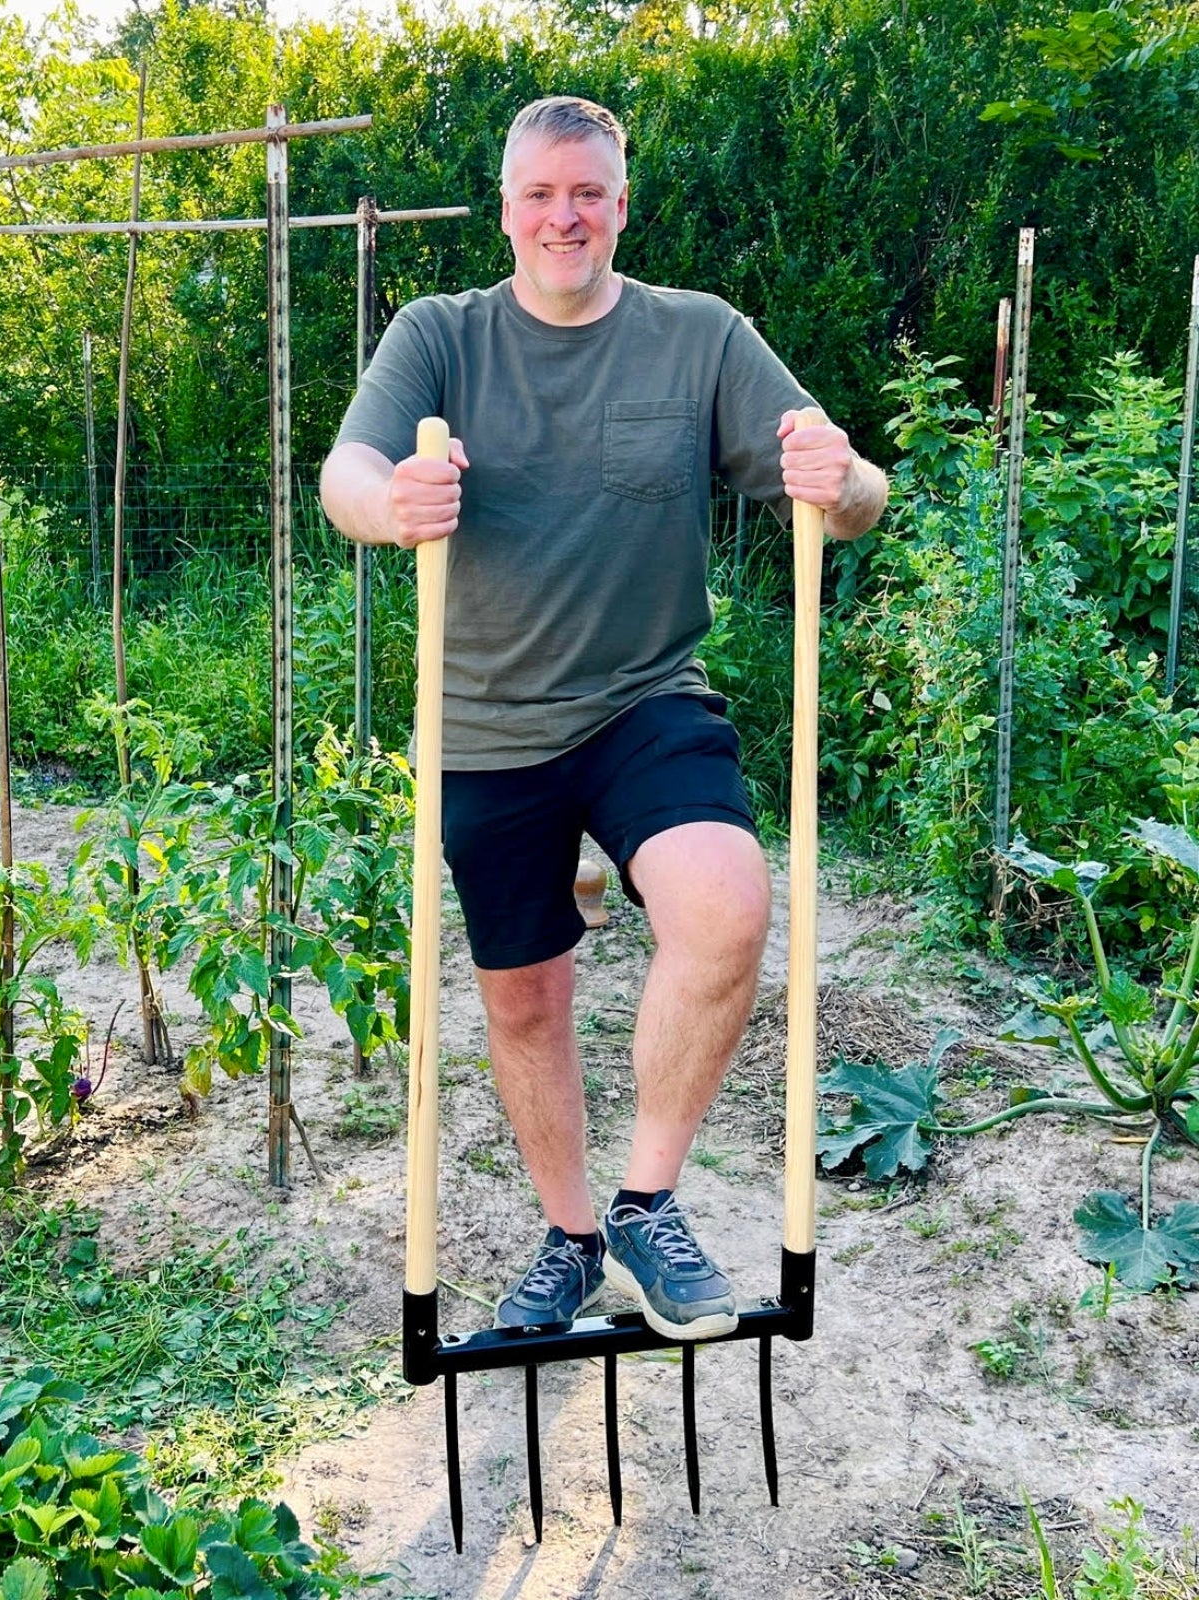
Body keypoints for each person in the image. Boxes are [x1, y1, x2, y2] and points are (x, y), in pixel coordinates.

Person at [319, 96, 886, 1340]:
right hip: (482, 719)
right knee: (523, 998)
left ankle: (643, 1203)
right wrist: (391, 500)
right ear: (509, 206)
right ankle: (569, 1238)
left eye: (588, 193)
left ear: (620, 205)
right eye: (539, 194)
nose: (563, 215)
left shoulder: (699, 340)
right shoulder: (441, 337)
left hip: (645, 698)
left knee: (727, 904)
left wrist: (838, 477)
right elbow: (344, 474)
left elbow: (849, 487)